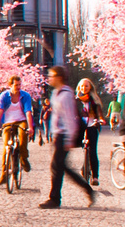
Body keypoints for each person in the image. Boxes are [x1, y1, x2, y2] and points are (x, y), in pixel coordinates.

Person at [40, 65, 95, 209]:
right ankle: (87, 189)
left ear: (59, 77)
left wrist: (70, 139)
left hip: (65, 135)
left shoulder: (66, 94)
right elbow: (55, 116)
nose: (49, 78)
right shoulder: (55, 93)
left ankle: (54, 199)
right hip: (58, 134)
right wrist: (51, 134)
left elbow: (70, 117)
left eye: (51, 75)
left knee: (57, 166)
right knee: (61, 167)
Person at [0, 74, 35, 185]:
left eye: (20, 84)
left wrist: (30, 127)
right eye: (16, 85)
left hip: (21, 121)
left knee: (22, 138)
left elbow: (28, 112)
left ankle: (24, 158)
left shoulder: (25, 96)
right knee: (6, 146)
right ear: (10, 85)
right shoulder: (4, 96)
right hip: (8, 123)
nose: (18, 87)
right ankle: (4, 173)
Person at [74, 78, 104, 180]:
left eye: (86, 86)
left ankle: (95, 176)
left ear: (90, 87)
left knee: (92, 151)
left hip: (92, 125)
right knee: (84, 148)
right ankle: (85, 167)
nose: (84, 88)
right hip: (80, 126)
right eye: (82, 86)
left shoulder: (94, 99)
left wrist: (101, 119)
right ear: (79, 87)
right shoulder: (76, 100)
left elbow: (99, 111)